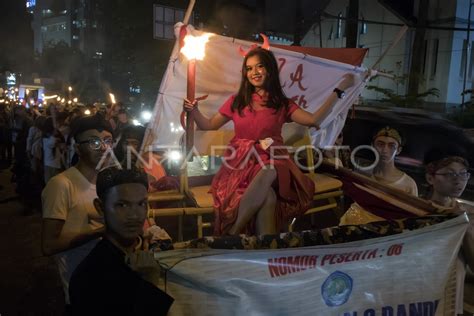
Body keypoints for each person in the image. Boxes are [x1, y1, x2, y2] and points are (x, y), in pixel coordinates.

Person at [183, 47, 355, 236]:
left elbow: (314, 120)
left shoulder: (281, 103)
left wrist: (340, 90)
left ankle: (232, 233)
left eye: (259, 66)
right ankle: (266, 250)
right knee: (268, 197)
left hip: (274, 160)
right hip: (241, 163)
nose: (254, 72)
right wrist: (194, 110)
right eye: (249, 68)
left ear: (270, 69)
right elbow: (208, 125)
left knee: (269, 169)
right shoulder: (237, 101)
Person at [69, 167, 174, 315]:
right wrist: (149, 283)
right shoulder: (89, 278)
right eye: (122, 205)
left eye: (141, 204)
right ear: (100, 207)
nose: (134, 215)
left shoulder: (146, 251)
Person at [41, 115, 114, 304]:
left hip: (109, 283)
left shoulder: (106, 182)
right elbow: (49, 245)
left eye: (107, 141)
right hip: (81, 289)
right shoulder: (61, 185)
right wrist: (102, 230)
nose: (103, 148)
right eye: (94, 142)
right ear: (77, 147)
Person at [424, 148, 474, 315]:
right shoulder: (415, 211)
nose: (458, 181)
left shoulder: (468, 214)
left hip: (451, 300)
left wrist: (466, 230)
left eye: (463, 174)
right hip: (418, 295)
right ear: (430, 178)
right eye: (449, 174)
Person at [339, 126, 418, 225]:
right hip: (351, 223)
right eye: (380, 144)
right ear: (372, 146)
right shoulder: (361, 174)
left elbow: (410, 217)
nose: (385, 150)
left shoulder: (408, 184)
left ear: (398, 150)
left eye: (391, 146)